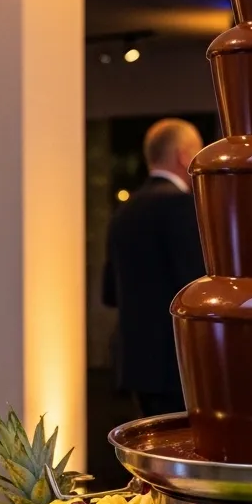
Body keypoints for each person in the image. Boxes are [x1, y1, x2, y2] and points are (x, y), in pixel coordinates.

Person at [102, 118, 205, 417]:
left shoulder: (124, 211)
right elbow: (196, 288)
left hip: (135, 364)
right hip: (178, 364)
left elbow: (109, 293)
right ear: (184, 156)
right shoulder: (184, 207)